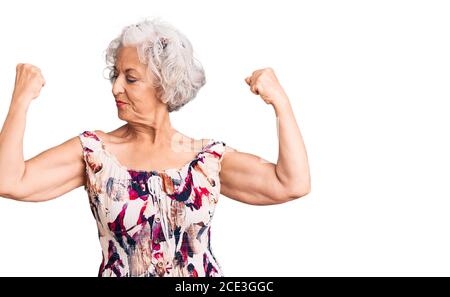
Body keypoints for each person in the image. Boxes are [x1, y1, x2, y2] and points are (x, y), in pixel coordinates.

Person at [0, 17, 311, 277]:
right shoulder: (96, 153)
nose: (115, 87)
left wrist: (281, 104)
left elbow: (292, 184)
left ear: (165, 84)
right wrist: (21, 100)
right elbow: (10, 181)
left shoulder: (206, 161)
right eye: (115, 74)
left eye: (130, 78)